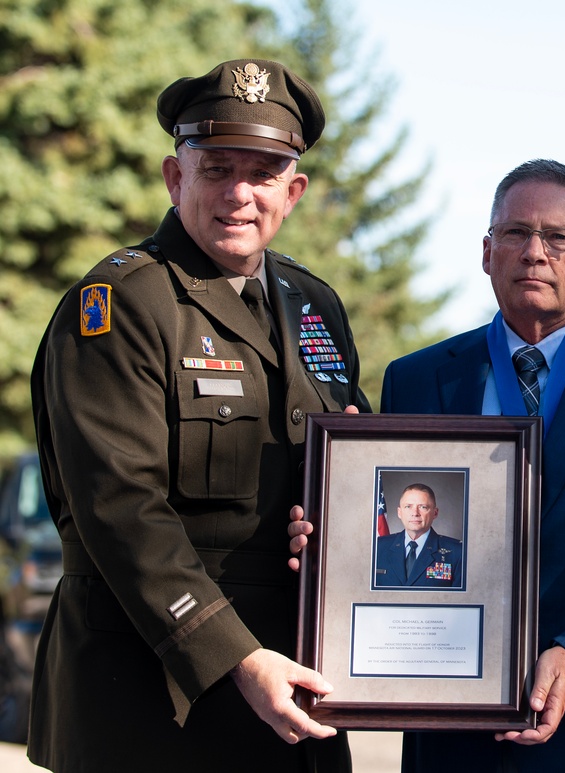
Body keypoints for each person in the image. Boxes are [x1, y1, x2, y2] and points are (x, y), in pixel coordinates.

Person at [295, 159, 565, 771]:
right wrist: (330, 536)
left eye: (560, 238)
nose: (535, 253)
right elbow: (389, 533)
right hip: (452, 734)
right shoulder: (417, 378)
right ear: (488, 252)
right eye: (516, 234)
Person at [29, 59, 368, 772]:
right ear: (174, 178)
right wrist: (237, 656)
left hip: (295, 694)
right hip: (149, 700)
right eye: (217, 169)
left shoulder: (316, 306)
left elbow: (353, 457)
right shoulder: (122, 305)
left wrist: (339, 520)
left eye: (265, 172)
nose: (240, 194)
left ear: (294, 190)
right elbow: (121, 509)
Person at [374, 483, 463, 587]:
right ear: (399, 512)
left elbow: (460, 601)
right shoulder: (378, 547)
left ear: (435, 513)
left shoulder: (457, 552)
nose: (415, 513)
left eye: (423, 507)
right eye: (408, 506)